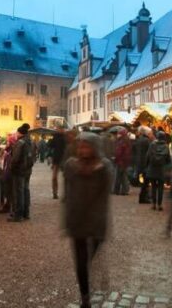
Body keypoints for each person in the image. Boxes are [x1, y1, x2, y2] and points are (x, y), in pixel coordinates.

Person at [63, 132, 112, 308]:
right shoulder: (70, 165)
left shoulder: (104, 167)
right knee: (81, 261)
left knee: (91, 254)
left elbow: (106, 192)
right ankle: (85, 297)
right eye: (81, 146)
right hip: (77, 219)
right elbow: (68, 191)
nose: (83, 150)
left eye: (87, 146)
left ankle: (88, 277)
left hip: (96, 218)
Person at [9, 123, 34, 221]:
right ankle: (26, 213)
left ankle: (18, 215)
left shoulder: (20, 142)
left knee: (18, 192)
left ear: (20, 133)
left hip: (19, 170)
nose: (16, 134)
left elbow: (15, 158)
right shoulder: (31, 141)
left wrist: (11, 166)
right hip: (28, 169)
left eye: (17, 132)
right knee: (26, 190)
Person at [145, 132, 170, 211]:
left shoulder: (152, 145)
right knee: (160, 187)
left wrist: (146, 165)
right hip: (161, 169)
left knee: (153, 187)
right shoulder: (166, 146)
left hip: (152, 168)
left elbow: (147, 156)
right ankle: (159, 205)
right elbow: (169, 159)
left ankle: (153, 204)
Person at [133, 126, 153, 204]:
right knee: (146, 182)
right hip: (145, 164)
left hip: (140, 163)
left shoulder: (139, 140)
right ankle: (143, 197)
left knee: (144, 182)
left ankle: (143, 197)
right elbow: (149, 153)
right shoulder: (147, 141)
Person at [48, 125, 68, 199]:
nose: (59, 130)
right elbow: (50, 146)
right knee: (54, 177)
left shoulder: (66, 137)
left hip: (65, 159)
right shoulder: (55, 137)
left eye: (60, 129)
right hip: (56, 159)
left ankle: (66, 193)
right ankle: (55, 192)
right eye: (58, 129)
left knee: (67, 177)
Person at [112, 128, 131, 195]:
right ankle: (125, 190)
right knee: (124, 177)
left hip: (120, 161)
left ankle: (116, 190)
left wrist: (115, 158)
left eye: (119, 133)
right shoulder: (127, 141)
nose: (118, 134)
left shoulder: (121, 142)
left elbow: (118, 152)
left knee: (118, 177)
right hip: (125, 161)